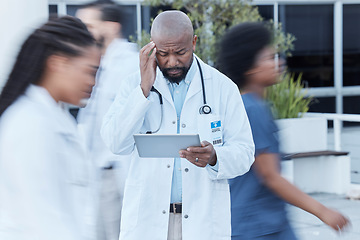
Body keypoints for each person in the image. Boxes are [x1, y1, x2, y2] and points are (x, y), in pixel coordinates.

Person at [100, 10, 255, 240]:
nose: (172, 62)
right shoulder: (134, 84)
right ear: (153, 48)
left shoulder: (223, 87)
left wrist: (214, 157)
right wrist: (143, 91)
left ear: (193, 42)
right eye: (163, 53)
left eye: (180, 52)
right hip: (148, 221)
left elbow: (245, 153)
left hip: (202, 223)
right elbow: (115, 143)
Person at [217, 22, 350, 240]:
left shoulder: (251, 106)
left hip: (265, 223)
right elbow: (270, 176)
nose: (279, 63)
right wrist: (323, 211)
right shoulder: (251, 109)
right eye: (269, 58)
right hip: (257, 228)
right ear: (250, 68)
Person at [0, 16, 100, 240]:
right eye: (89, 71)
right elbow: (42, 216)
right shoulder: (29, 123)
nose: (93, 82)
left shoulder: (55, 118)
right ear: (58, 63)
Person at [76, 2, 139, 240]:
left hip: (116, 174)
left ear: (112, 28)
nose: (82, 32)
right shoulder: (100, 64)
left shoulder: (129, 66)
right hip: (100, 176)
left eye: (89, 26)